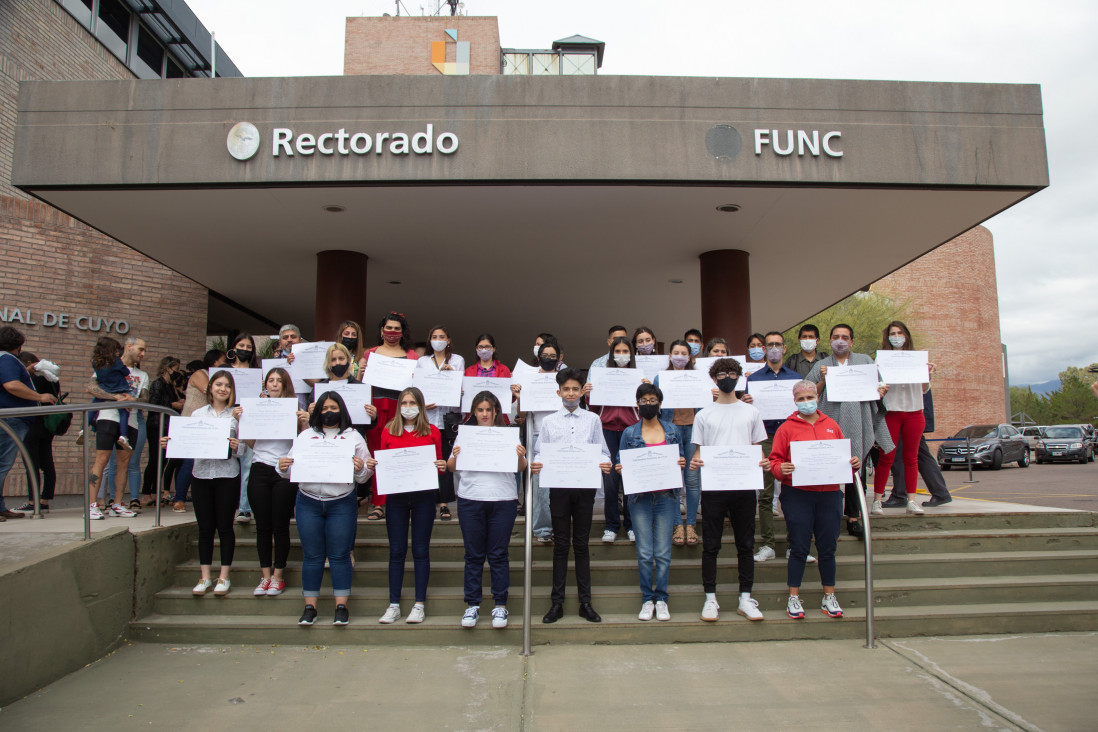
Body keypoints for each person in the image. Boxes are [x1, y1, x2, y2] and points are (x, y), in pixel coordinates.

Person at [768, 380, 862, 620]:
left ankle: (829, 596)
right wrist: (782, 469)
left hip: (829, 494)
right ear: (795, 401)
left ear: (817, 398)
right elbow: (775, 461)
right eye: (801, 399)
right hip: (797, 494)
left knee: (828, 547)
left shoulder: (831, 425)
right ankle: (793, 597)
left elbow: (843, 460)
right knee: (799, 546)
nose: (806, 402)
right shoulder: (786, 428)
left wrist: (853, 464)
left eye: (810, 397)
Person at [278, 391, 371, 626]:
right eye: (325, 408)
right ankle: (310, 607)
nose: (329, 412)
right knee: (312, 556)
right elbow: (289, 470)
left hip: (341, 502)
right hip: (308, 501)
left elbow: (364, 477)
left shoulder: (354, 437)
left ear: (342, 410)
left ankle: (341, 607)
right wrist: (282, 466)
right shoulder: (305, 436)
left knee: (340, 556)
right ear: (318, 411)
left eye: (334, 408)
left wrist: (360, 469)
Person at [689, 357, 768, 622]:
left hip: (745, 487)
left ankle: (745, 598)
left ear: (740, 376)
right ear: (713, 378)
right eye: (721, 373)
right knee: (711, 544)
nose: (727, 377)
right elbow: (698, 452)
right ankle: (710, 598)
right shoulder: (703, 414)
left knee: (745, 544)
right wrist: (695, 461)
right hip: (714, 487)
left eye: (732, 372)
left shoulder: (752, 412)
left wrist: (763, 462)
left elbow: (758, 447)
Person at [532, 368, 612, 624]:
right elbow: (538, 453)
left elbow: (604, 452)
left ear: (582, 392)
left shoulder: (593, 420)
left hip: (584, 489)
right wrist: (537, 463)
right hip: (558, 489)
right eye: (566, 389)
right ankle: (557, 603)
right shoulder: (548, 422)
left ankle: (585, 603)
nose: (570, 393)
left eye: (575, 389)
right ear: (559, 392)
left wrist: (604, 463)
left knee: (581, 544)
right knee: (561, 545)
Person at [805, 324, 893, 539]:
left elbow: (879, 386)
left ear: (852, 341)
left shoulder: (865, 361)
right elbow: (806, 393)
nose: (840, 340)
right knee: (828, 468)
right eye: (836, 337)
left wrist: (881, 390)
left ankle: (854, 517)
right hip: (830, 422)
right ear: (830, 341)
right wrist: (823, 380)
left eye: (845, 337)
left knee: (857, 467)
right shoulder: (822, 365)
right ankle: (826, 516)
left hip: (858, 420)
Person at [161, 370, 244, 596]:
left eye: (227, 385)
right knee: (205, 528)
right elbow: (184, 441)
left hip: (227, 475)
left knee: (225, 528)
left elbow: (245, 448)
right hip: (201, 475)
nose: (222, 389)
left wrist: (238, 447)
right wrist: (169, 443)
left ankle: (223, 577)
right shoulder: (197, 414)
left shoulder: (236, 416)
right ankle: (205, 577)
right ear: (210, 388)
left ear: (231, 390)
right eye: (218, 384)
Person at [448, 391, 525, 629]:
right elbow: (451, 467)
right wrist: (456, 456)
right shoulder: (465, 434)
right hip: (471, 498)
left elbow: (520, 468)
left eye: (488, 410)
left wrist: (521, 456)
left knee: (499, 554)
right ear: (474, 412)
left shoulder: (508, 434)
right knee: (473, 555)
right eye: (480, 410)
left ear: (495, 412)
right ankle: (472, 604)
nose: (484, 414)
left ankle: (500, 604)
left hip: (503, 499)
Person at [370, 387, 446, 625]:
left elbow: (439, 462)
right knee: (397, 551)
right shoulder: (388, 430)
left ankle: (419, 604)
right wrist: (375, 464)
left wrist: (441, 465)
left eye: (413, 402)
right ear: (398, 406)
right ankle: (394, 604)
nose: (408, 406)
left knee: (421, 550)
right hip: (397, 497)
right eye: (404, 402)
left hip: (423, 496)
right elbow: (384, 461)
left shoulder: (432, 431)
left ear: (420, 405)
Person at [616, 383, 685, 621]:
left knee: (663, 553)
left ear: (660, 403)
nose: (648, 404)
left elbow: (680, 457)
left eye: (652, 400)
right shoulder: (629, 433)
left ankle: (662, 599)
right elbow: (620, 461)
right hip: (640, 499)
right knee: (645, 552)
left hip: (666, 497)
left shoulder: (673, 431)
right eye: (643, 400)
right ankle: (647, 599)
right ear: (637, 404)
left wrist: (681, 463)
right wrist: (621, 467)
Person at [241, 367, 309, 597]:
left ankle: (278, 577)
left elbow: (304, 442)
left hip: (284, 471)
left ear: (285, 385)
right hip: (259, 468)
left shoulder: (295, 409)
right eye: (270, 380)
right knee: (262, 526)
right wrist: (244, 421)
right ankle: (265, 576)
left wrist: (303, 423)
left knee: (280, 526)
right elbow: (251, 443)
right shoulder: (256, 409)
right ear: (265, 385)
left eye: (279, 381)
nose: (274, 384)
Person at [744, 331, 803, 563]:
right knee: (766, 493)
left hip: (792, 435)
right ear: (764, 349)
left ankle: (794, 545)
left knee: (793, 492)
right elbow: (747, 412)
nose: (774, 348)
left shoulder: (796, 377)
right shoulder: (754, 378)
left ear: (785, 348)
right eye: (770, 345)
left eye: (778, 344)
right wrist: (745, 402)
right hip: (766, 436)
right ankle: (768, 543)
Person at [584, 336, 644, 543]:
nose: (621, 355)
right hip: (607, 430)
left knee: (629, 480)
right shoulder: (602, 376)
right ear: (611, 354)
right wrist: (589, 395)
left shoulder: (638, 377)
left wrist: (644, 390)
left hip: (630, 431)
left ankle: (630, 525)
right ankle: (611, 525)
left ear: (631, 354)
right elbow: (593, 410)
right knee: (610, 482)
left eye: (625, 351)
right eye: (617, 351)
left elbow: (644, 408)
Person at [872, 321, 935, 515]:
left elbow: (924, 389)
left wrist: (928, 375)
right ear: (887, 337)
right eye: (893, 333)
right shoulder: (880, 360)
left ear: (906, 336)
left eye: (900, 333)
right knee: (886, 457)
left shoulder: (917, 359)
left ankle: (912, 501)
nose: (897, 336)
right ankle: (877, 501)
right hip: (891, 412)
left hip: (914, 412)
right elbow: (876, 387)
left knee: (911, 458)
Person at [362, 312, 419, 521]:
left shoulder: (411, 355)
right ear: (381, 331)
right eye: (389, 328)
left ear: (402, 331)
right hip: (376, 407)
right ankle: (378, 503)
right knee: (378, 454)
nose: (392, 332)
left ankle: (403, 500)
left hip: (401, 408)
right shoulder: (370, 354)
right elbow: (361, 383)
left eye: (397, 329)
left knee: (402, 452)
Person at [1, 327, 57, 521]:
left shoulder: (5, 360)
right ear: (17, 346)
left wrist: (27, 371)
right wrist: (39, 396)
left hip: (12, 419)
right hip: (11, 419)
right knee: (2, 463)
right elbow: (11, 385)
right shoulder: (7, 359)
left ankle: (1, 507)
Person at [512, 339, 562, 544]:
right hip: (535, 434)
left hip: (560, 434)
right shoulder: (529, 378)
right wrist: (519, 396)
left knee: (560, 482)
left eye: (552, 356)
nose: (548, 359)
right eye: (545, 355)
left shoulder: (563, 379)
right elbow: (522, 413)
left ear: (559, 358)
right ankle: (542, 529)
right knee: (540, 486)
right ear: (538, 357)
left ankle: (560, 526)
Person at [654, 339, 701, 546]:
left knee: (692, 479)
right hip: (669, 430)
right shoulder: (660, 378)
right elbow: (654, 406)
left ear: (689, 357)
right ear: (670, 356)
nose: (680, 356)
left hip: (693, 430)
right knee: (672, 479)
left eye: (684, 353)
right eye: (676, 352)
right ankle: (676, 525)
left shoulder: (700, 378)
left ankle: (690, 523)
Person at [418, 325, 465, 522]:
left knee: (445, 460)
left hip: (448, 419)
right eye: (434, 336)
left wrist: (450, 373)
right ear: (430, 340)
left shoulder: (457, 360)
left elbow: (461, 387)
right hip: (428, 419)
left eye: (442, 336)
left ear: (448, 340)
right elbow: (416, 388)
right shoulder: (422, 361)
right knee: (428, 459)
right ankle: (428, 500)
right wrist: (422, 404)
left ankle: (445, 503)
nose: (438, 339)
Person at [171, 349, 227, 513]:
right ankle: (179, 498)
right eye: (223, 360)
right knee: (190, 461)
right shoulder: (201, 373)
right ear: (215, 361)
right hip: (193, 422)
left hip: (210, 423)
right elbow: (209, 391)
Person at [100, 336, 150, 512]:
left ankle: (133, 499)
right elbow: (93, 387)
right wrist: (116, 398)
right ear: (129, 347)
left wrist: (133, 399)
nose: (143, 354)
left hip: (134, 421)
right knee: (112, 462)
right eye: (141, 350)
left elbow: (145, 398)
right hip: (111, 419)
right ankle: (114, 500)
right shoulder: (109, 366)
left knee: (132, 461)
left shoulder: (142, 375)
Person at [883, 389, 952, 508]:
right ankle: (940, 492)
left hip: (906, 414)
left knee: (901, 455)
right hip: (912, 414)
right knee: (920, 454)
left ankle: (900, 495)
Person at [15, 352, 60, 514]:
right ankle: (44, 500)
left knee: (31, 464)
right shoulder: (51, 377)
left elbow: (22, 394)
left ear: (28, 363)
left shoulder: (32, 378)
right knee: (47, 463)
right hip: (47, 426)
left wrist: (26, 372)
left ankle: (32, 501)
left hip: (32, 425)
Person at [225, 333, 261, 524]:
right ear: (233, 347)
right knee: (228, 463)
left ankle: (245, 508)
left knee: (247, 464)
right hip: (227, 417)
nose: (245, 349)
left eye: (248, 347)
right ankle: (227, 504)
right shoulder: (224, 370)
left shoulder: (258, 372)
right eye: (241, 345)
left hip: (249, 419)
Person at [141, 356, 185, 507]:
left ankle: (155, 491)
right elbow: (153, 403)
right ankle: (146, 492)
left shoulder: (170, 385)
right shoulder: (158, 384)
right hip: (156, 425)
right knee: (155, 459)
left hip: (168, 426)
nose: (178, 372)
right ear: (168, 369)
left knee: (163, 460)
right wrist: (174, 404)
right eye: (176, 369)